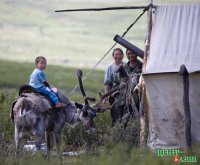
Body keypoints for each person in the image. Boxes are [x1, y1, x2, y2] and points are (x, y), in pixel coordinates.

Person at [113, 49, 143, 121]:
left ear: (137, 54)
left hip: (137, 102)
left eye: (133, 53)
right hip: (122, 103)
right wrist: (117, 97)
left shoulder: (143, 67)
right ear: (126, 55)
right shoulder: (123, 68)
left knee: (136, 123)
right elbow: (115, 84)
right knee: (120, 123)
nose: (131, 55)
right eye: (128, 54)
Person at [104, 48, 124, 125]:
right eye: (116, 54)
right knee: (114, 116)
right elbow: (107, 82)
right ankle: (115, 131)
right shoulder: (110, 67)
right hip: (114, 96)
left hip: (125, 96)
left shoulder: (125, 65)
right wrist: (106, 95)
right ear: (113, 55)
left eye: (120, 54)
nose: (118, 56)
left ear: (123, 55)